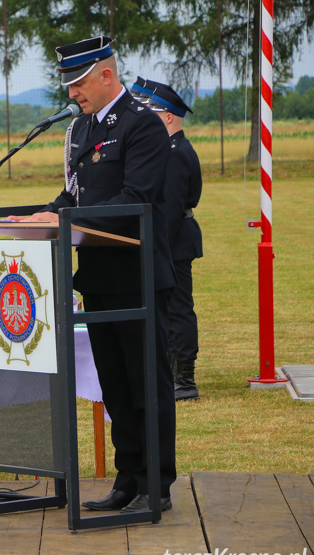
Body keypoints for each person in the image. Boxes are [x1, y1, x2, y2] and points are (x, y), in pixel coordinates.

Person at [10, 36, 176, 513]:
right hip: (99, 279)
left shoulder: (143, 126)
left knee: (147, 383)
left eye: (79, 82)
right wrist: (44, 215)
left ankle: (156, 485)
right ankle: (128, 478)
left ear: (107, 75)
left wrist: (64, 221)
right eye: (69, 84)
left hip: (139, 277)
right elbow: (75, 195)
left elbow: (134, 199)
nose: (72, 93)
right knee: (116, 386)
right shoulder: (80, 130)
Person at [147, 84, 203, 401]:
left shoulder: (176, 153)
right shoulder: (170, 150)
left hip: (175, 241)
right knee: (169, 308)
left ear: (168, 118)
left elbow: (169, 209)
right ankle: (171, 372)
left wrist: (158, 247)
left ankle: (185, 379)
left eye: (154, 114)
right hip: (174, 239)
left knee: (179, 309)